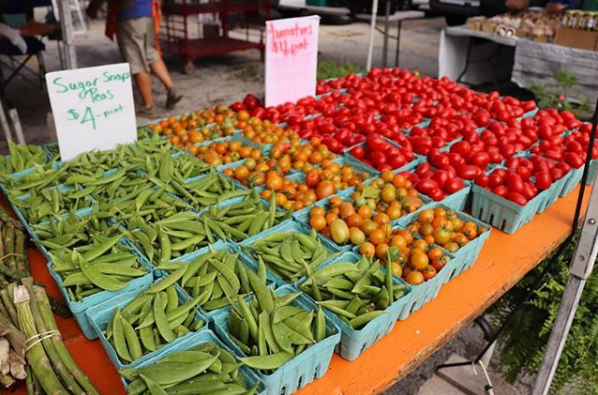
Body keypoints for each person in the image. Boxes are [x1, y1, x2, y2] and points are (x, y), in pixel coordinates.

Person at [87, 0, 182, 117]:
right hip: (148, 13)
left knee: (136, 60)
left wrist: (93, 7)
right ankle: (171, 89)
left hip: (130, 15)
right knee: (151, 54)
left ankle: (148, 106)